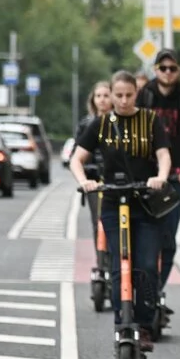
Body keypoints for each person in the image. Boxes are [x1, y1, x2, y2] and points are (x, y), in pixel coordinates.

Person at [70, 70, 171, 353]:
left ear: (135, 94)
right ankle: (122, 325)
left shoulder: (151, 121)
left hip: (145, 200)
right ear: (111, 95)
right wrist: (85, 182)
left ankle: (144, 324)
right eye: (119, 95)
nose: (124, 100)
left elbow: (164, 155)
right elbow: (77, 159)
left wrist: (160, 177)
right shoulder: (100, 123)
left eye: (129, 95)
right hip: (113, 201)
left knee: (147, 266)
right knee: (118, 264)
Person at [137, 48, 180, 312]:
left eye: (172, 68)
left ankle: (155, 293)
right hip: (144, 178)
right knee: (143, 238)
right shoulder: (143, 97)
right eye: (162, 68)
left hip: (174, 178)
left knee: (167, 241)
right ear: (155, 70)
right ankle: (142, 292)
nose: (167, 72)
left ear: (179, 71)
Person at [73, 81, 113, 262]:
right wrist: (86, 177)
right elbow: (77, 154)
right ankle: (102, 262)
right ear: (93, 99)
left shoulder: (120, 123)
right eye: (99, 96)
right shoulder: (86, 124)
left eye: (106, 95)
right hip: (94, 181)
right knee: (99, 222)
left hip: (115, 180)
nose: (102, 100)